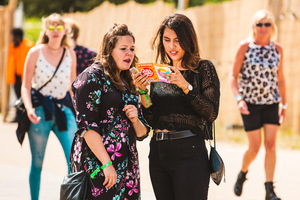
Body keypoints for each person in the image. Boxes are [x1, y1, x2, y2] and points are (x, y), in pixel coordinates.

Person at [133, 13, 220, 200]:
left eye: (177, 40)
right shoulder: (159, 71)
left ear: (188, 41)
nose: (172, 46)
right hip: (158, 153)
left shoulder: (203, 69)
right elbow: (151, 118)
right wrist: (142, 92)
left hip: (189, 153)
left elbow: (211, 113)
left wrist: (186, 87)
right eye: (167, 40)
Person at [70, 23, 150, 199]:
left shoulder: (129, 80)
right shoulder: (90, 78)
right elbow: (87, 127)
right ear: (109, 50)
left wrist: (136, 118)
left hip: (127, 167)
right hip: (97, 165)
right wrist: (106, 165)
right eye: (123, 49)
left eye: (132, 48)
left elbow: (143, 133)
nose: (129, 53)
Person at [229, 10, 286, 200]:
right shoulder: (245, 47)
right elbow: (232, 77)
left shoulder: (277, 49)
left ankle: (269, 190)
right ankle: (243, 173)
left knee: (271, 146)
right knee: (255, 147)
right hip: (250, 104)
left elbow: (281, 79)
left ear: (272, 28)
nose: (263, 28)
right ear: (253, 27)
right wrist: (239, 99)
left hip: (271, 103)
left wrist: (283, 106)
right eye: (259, 24)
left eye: (267, 24)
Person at [21, 13, 78, 200]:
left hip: (63, 110)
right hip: (39, 111)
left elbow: (72, 87)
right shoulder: (35, 52)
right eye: (51, 27)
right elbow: (26, 86)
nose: (55, 30)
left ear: (64, 31)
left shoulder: (70, 53)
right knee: (37, 163)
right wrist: (29, 109)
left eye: (59, 27)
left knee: (74, 160)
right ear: (45, 30)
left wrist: (79, 113)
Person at [6, 28, 35, 122]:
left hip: (26, 78)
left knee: (26, 97)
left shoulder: (29, 46)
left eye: (14, 36)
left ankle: (25, 117)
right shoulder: (13, 46)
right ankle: (19, 117)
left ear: (19, 36)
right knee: (18, 97)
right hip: (17, 77)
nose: (12, 39)